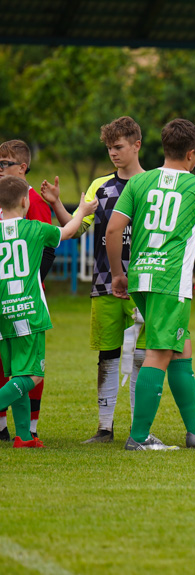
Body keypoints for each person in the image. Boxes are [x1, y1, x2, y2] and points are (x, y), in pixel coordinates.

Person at [107, 118, 195, 451]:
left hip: (141, 276)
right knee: (161, 352)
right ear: (192, 153)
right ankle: (139, 437)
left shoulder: (139, 182)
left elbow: (113, 230)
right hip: (170, 280)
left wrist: (118, 273)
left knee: (180, 348)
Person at [39, 116, 147, 443]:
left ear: (136, 145)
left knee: (144, 356)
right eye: (109, 148)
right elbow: (75, 229)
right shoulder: (100, 185)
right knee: (108, 355)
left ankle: (139, 428)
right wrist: (58, 203)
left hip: (144, 284)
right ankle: (104, 428)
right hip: (105, 284)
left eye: (119, 147)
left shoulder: (153, 185)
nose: (113, 153)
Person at [0, 176, 96, 447]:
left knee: (17, 374)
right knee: (33, 375)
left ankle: (23, 435)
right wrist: (83, 211)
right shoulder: (36, 230)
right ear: (24, 201)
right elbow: (67, 232)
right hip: (27, 313)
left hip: (3, 315)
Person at [0, 139, 55, 441]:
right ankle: (12, 431)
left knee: (29, 368)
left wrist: (25, 283)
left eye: (3, 164)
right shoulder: (4, 198)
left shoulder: (32, 200)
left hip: (26, 298)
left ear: (22, 167)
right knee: (18, 367)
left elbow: (47, 251)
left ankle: (28, 429)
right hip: (7, 299)